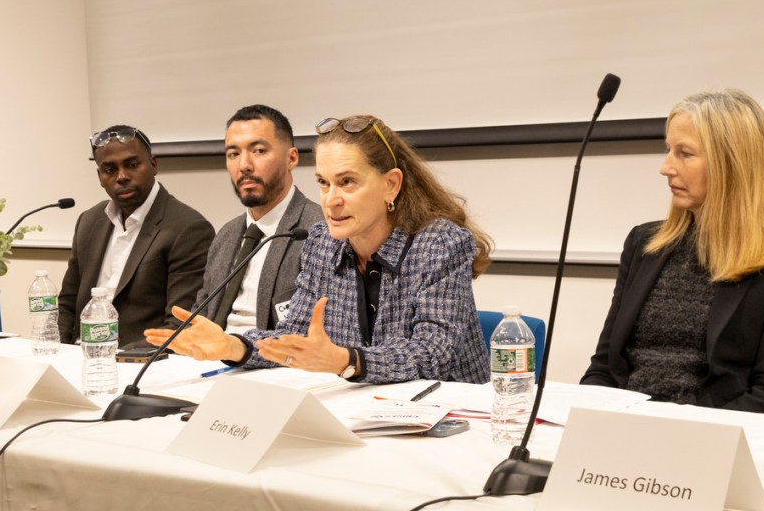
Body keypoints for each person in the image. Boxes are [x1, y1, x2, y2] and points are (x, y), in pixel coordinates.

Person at [147, 114, 490, 384]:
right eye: (324, 183)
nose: (331, 200)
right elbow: (293, 334)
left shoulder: (439, 243)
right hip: (363, 411)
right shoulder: (323, 242)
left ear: (391, 184)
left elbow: (433, 352)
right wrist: (234, 346)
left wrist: (345, 360)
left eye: (347, 182)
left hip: (449, 417)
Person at [580, 89, 764, 412]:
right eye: (668, 150)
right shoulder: (643, 243)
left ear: (730, 163)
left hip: (711, 436)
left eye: (685, 153)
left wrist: (683, 432)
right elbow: (604, 370)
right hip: (625, 427)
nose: (665, 167)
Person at [58, 125, 214, 344]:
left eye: (131, 165)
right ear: (100, 177)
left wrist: (117, 359)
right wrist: (57, 353)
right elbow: (67, 303)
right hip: (79, 356)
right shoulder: (89, 221)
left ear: (153, 164)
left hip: (137, 363)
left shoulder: (188, 228)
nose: (122, 177)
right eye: (109, 170)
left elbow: (179, 327)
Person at [195, 105, 324, 332]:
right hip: (212, 361)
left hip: (273, 360)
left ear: (291, 158)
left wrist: (235, 350)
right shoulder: (226, 235)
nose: (244, 165)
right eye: (233, 154)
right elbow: (202, 315)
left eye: (259, 151)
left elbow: (308, 332)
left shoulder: (318, 229)